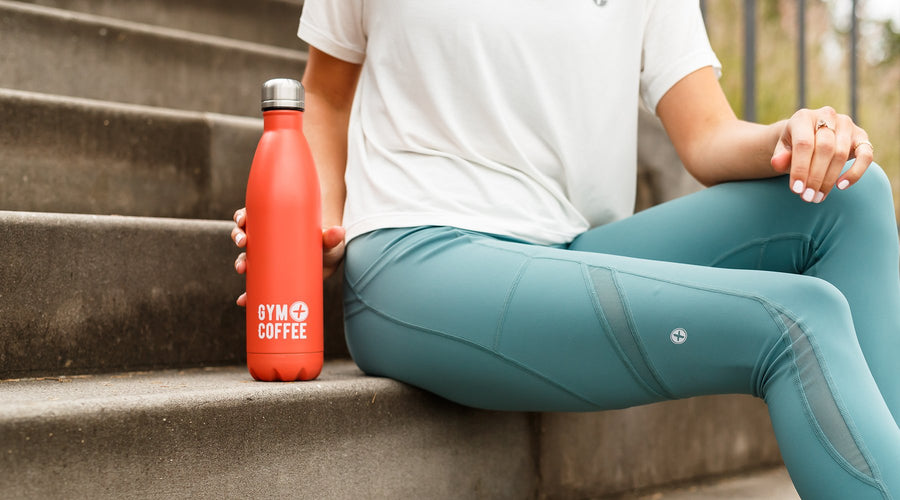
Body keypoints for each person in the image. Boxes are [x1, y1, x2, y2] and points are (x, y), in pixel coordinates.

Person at [232, 1, 900, 497]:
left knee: (851, 192)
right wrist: (317, 224)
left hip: (571, 250)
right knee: (794, 319)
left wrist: (799, 136)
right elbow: (322, 94)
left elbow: (706, 137)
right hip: (418, 254)